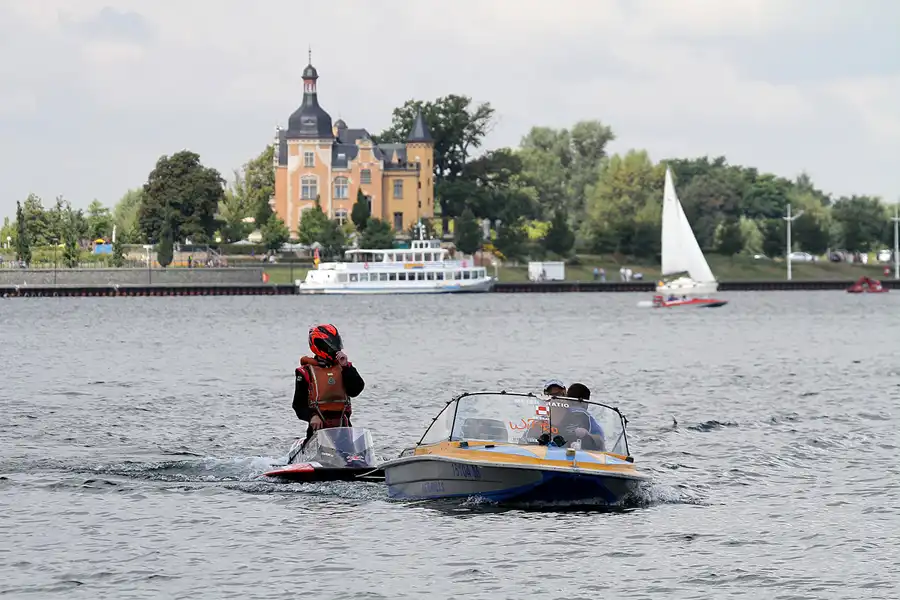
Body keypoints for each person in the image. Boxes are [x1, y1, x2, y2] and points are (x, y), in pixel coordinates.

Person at [292, 324, 365, 446]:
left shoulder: (344, 368)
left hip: (344, 430)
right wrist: (312, 417)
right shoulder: (305, 372)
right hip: (317, 431)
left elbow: (356, 390)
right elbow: (298, 405)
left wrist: (347, 367)